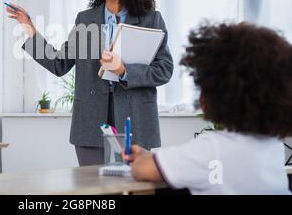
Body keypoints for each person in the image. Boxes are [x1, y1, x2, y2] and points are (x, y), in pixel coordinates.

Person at [6, 0, 173, 166]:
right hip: (90, 123)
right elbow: (59, 64)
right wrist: (29, 28)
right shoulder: (85, 20)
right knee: (93, 188)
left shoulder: (151, 20)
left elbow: (164, 70)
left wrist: (124, 71)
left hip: (136, 122)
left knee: (133, 186)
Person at [125, 22, 292, 194]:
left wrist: (142, 159)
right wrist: (149, 156)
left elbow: (143, 169)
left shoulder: (213, 148)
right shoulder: (273, 146)